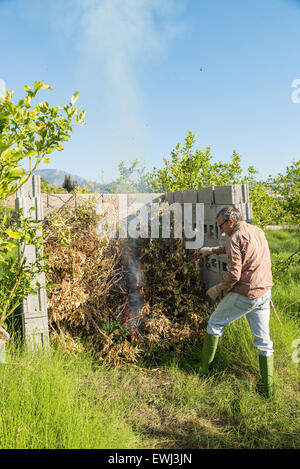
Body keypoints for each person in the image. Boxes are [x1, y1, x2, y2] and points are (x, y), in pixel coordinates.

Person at [198, 206, 274, 398]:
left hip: (246, 294)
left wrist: (218, 289)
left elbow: (233, 275)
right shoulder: (256, 230)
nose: (221, 230)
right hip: (264, 291)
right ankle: (268, 390)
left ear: (230, 222)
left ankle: (203, 372)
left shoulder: (234, 238)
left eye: (221, 226)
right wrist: (213, 250)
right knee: (263, 341)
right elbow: (238, 248)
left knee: (214, 324)